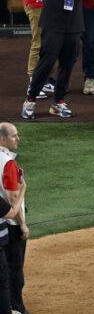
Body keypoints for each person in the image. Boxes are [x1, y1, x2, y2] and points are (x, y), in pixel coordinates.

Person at [0, 123, 30, 314]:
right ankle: (16, 308)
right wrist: (22, 224)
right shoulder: (7, 162)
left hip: (1, 225)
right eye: (13, 136)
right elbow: (13, 198)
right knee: (14, 271)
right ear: (2, 139)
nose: (17, 139)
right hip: (10, 224)